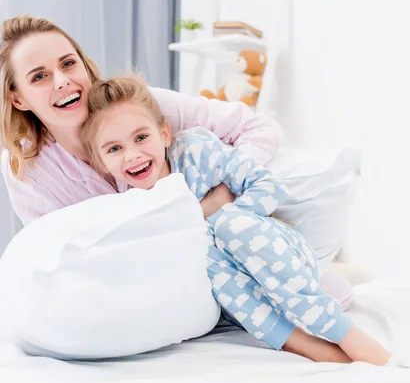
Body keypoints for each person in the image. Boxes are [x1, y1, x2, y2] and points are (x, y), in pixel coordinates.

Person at [0, 15, 351, 308]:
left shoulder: (140, 108)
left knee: (325, 295)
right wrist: (196, 213)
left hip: (223, 257)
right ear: (18, 99)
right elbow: (64, 257)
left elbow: (257, 127)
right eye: (39, 76)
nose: (63, 81)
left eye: (68, 63)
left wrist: (228, 187)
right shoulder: (25, 170)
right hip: (142, 289)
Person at [78, 74, 392, 365]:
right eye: (114, 149)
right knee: (205, 258)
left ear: (163, 134)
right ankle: (304, 345)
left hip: (279, 253)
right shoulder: (131, 208)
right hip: (239, 296)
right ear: (102, 163)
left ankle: (342, 331)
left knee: (227, 226)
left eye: (141, 137)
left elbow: (268, 186)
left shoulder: (196, 153)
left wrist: (218, 218)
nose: (131, 155)